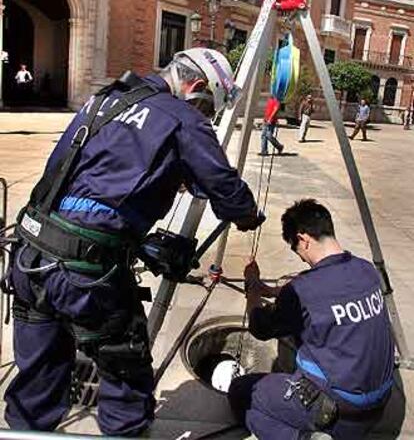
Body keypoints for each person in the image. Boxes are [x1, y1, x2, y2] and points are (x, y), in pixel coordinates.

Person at [4, 48, 264, 436]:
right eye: (208, 107)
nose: (205, 116)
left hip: (30, 257)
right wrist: (246, 214)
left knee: (37, 383)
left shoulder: (106, 98)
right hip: (84, 276)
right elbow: (228, 192)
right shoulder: (183, 119)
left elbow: (92, 176)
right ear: (195, 88)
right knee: (127, 382)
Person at [228, 199, 394, 440]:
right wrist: (278, 292)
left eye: (297, 249)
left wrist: (253, 288)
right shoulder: (366, 270)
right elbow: (329, 286)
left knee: (243, 394)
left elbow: (259, 326)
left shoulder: (303, 291)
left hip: (334, 411)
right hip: (376, 408)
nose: (301, 258)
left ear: (303, 238)